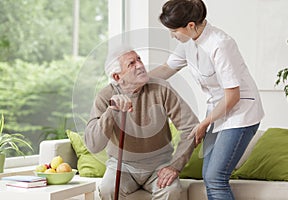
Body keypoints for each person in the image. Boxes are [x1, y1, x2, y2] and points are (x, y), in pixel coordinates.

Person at [148, 0, 264, 199]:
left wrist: (204, 124)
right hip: (217, 110)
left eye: (174, 30)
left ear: (191, 25)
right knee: (209, 176)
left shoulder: (220, 44)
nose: (172, 35)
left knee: (215, 177)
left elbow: (233, 96)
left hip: (241, 112)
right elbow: (167, 68)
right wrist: (137, 82)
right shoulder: (189, 42)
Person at [84, 46, 200, 200]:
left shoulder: (161, 88)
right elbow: (93, 144)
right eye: (131, 64)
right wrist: (111, 111)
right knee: (108, 189)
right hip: (122, 166)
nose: (140, 65)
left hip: (159, 164)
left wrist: (175, 166)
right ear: (117, 77)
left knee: (170, 191)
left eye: (139, 59)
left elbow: (191, 127)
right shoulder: (105, 96)